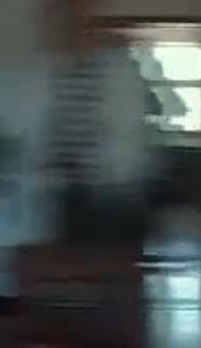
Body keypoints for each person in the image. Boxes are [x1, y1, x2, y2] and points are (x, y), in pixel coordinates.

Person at [41, 0, 154, 246]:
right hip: (76, 192)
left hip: (115, 193)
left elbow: (126, 132)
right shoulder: (63, 70)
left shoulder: (116, 66)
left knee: (114, 260)